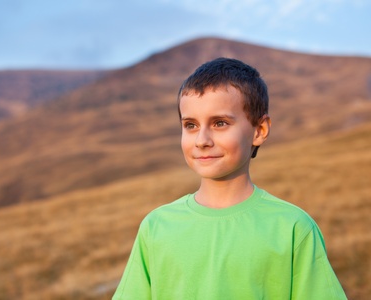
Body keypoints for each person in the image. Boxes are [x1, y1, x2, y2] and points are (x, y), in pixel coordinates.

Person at [113, 57, 347, 299]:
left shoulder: (293, 228)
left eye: (220, 123)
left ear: (260, 130)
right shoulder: (156, 227)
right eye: (191, 125)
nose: (202, 140)